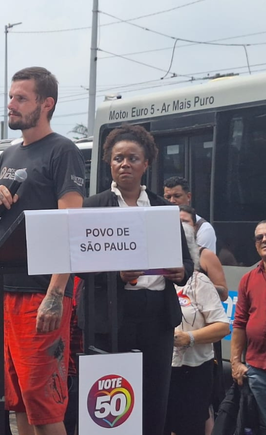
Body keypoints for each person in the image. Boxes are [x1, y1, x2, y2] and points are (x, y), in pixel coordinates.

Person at [0, 67, 86, 435]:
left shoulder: (63, 150)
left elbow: (70, 227)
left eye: (21, 98)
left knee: (44, 404)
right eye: (11, 96)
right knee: (18, 402)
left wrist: (56, 293)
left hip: (41, 291)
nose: (11, 105)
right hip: (4, 289)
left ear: (46, 104)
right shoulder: (7, 155)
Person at [81, 124, 193, 435]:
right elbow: (80, 265)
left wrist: (181, 272)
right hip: (110, 314)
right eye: (118, 159)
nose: (124, 164)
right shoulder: (92, 207)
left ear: (146, 163)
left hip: (156, 314)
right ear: (109, 163)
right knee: (108, 400)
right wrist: (116, 275)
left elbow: (187, 262)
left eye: (132, 158)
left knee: (153, 397)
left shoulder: (164, 208)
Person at [165, 223, 229, 435]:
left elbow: (222, 326)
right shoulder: (151, 282)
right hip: (161, 368)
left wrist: (189, 338)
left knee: (188, 428)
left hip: (192, 372)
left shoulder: (199, 281)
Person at [231, 220, 266, 423]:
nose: (263, 240)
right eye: (259, 237)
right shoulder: (248, 279)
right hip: (257, 370)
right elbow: (240, 323)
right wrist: (236, 362)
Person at [178, 205, 228, 301]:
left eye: (185, 221)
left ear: (195, 227)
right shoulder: (165, 256)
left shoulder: (206, 255)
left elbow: (224, 294)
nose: (182, 226)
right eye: (178, 222)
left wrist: (201, 283)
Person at [164, 176, 217, 253]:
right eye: (168, 197)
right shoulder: (160, 224)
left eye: (177, 196)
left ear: (188, 196)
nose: (172, 201)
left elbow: (201, 261)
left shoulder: (204, 229)